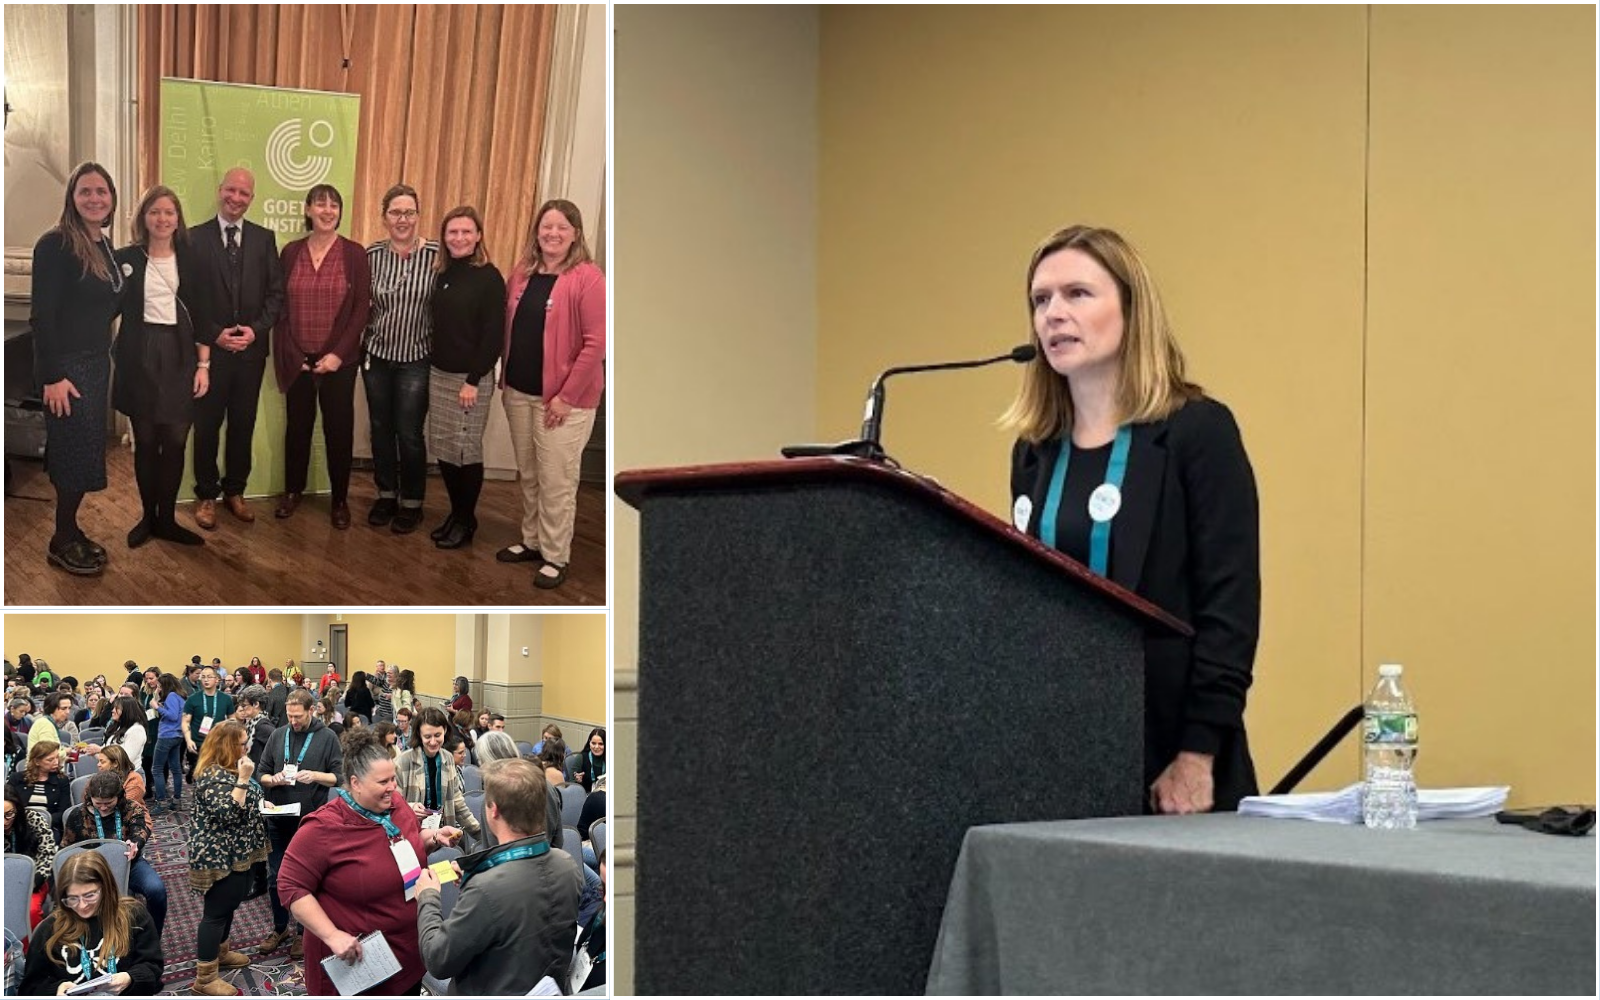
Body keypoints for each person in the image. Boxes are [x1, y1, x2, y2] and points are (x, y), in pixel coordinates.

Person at [1004, 225, 1261, 813]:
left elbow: (1231, 606)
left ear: (1131, 310)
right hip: (1056, 751)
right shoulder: (1035, 449)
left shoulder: (1197, 432)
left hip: (1173, 756)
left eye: (1077, 294)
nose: (1053, 315)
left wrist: (1198, 755)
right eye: (1041, 301)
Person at [277, 729, 464, 996]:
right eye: (383, 782)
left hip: (407, 952)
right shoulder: (323, 828)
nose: (393, 788)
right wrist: (331, 935)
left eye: (393, 780)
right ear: (355, 783)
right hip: (358, 963)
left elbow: (404, 849)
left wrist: (433, 837)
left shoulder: (396, 805)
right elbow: (290, 886)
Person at [496, 199, 607, 589]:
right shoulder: (523, 273)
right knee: (529, 474)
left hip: (563, 401)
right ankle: (531, 540)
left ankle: (556, 555)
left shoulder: (588, 278)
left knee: (556, 479)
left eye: (562, 227)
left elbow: (597, 344)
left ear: (575, 233)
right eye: (546, 226)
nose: (552, 233)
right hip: (520, 393)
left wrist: (565, 397)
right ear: (537, 232)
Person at [414, 757, 581, 995]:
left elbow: (437, 960)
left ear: (493, 811)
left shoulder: (485, 889)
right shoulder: (567, 864)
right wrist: (478, 869)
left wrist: (428, 898)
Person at [31, 162, 126, 576]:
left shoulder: (104, 245)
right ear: (72, 197)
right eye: (85, 191)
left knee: (84, 452)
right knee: (72, 453)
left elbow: (108, 306)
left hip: (94, 364)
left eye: (101, 191)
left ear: (111, 199)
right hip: (66, 369)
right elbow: (42, 317)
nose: (94, 198)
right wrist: (52, 376)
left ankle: (70, 529)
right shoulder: (54, 245)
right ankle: (60, 539)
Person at [188, 167, 286, 530]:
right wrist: (214, 334)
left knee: (243, 425)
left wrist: (255, 331)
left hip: (250, 354)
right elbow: (188, 298)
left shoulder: (264, 239)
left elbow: (276, 295)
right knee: (207, 426)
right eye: (231, 190)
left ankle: (235, 492)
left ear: (252, 198)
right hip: (208, 355)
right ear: (220, 191)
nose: (236, 198)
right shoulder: (195, 239)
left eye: (244, 193)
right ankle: (206, 496)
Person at [113, 184, 210, 549]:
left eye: (169, 212)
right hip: (139, 355)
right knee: (147, 440)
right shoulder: (126, 258)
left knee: (174, 440)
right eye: (155, 211)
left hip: (181, 354)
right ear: (143, 217)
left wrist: (204, 365)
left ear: (178, 218)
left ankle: (167, 519)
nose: (162, 218)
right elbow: (105, 305)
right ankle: (147, 518)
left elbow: (204, 314)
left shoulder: (192, 257)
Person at [272, 183, 372, 529]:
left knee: (338, 429)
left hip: (338, 361)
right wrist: (292, 353)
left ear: (340, 212)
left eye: (334, 204)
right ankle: (292, 492)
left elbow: (361, 310)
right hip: (298, 357)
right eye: (320, 203)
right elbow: (280, 307)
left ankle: (340, 500)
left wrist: (338, 354)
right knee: (297, 427)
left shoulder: (354, 253)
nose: (327, 210)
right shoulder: (290, 252)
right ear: (308, 210)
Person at [426, 206, 506, 549]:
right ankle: (458, 514)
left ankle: (465, 520)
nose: (458, 238)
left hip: (470, 380)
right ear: (445, 237)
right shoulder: (443, 273)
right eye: (452, 232)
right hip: (439, 374)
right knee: (445, 449)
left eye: (465, 232)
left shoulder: (489, 277)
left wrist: (473, 380)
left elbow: (493, 335)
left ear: (478, 236)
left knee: (466, 452)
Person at [364, 183, 440, 533]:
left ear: (418, 216)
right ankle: (385, 494)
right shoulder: (371, 256)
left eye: (409, 212)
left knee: (408, 433)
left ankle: (412, 502)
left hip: (416, 360)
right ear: (384, 217)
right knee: (380, 429)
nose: (402, 219)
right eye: (395, 212)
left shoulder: (437, 256)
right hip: (377, 358)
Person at [255, 688, 342, 962]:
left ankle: (304, 933)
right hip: (278, 815)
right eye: (289, 716)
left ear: (312, 710)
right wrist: (274, 779)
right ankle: (280, 928)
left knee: (306, 878)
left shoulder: (327, 737)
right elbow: (261, 774)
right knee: (275, 876)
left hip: (309, 820)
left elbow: (339, 777)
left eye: (298, 716)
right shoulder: (278, 735)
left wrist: (315, 775)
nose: (293, 721)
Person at [186, 719, 268, 996]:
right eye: (243, 743)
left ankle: (220, 952)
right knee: (215, 913)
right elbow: (228, 813)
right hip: (219, 855)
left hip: (239, 851)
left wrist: (259, 800)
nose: (247, 747)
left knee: (230, 903)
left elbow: (246, 799)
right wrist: (245, 780)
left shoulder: (232, 768)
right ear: (228, 746)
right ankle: (205, 977)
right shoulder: (212, 775)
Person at [18, 851, 164, 996]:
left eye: (90, 895)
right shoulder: (49, 930)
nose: (82, 905)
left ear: (106, 888)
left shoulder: (133, 915)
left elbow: (153, 967)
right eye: (73, 898)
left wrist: (130, 978)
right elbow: (29, 988)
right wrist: (55, 990)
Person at [60, 770, 167, 936]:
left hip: (128, 864)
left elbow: (141, 829)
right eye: (98, 803)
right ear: (90, 798)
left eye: (108, 803)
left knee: (157, 890)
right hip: (91, 872)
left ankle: (152, 935)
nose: (103, 807)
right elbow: (66, 848)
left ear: (119, 797)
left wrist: (135, 843)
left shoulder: (131, 808)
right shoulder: (78, 816)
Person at [395, 707, 483, 847]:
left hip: (442, 834)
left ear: (445, 731)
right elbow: (393, 804)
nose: (433, 741)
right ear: (419, 734)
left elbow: (457, 801)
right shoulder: (403, 762)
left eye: (438, 735)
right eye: (427, 736)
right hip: (413, 837)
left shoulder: (447, 758)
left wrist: (480, 834)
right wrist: (410, 807)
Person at [3, 785, 58, 932]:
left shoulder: (33, 819)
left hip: (33, 882)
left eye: (9, 814)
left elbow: (47, 854)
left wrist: (33, 882)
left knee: (31, 911)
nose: (4, 822)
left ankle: (30, 951)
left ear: (18, 809)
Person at [7, 741, 71, 838]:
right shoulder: (17, 779)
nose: (56, 762)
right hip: (18, 826)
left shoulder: (62, 780)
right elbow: (8, 803)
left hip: (49, 828)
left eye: (57, 758)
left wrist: (41, 823)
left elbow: (63, 811)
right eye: (50, 760)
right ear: (37, 761)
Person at [183, 665, 235, 774]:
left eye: (209, 677)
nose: (206, 680)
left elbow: (232, 720)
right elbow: (185, 721)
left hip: (218, 743)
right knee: (199, 775)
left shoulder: (226, 699)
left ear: (217, 680)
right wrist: (188, 740)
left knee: (216, 774)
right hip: (198, 743)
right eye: (203, 677)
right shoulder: (192, 699)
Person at [149, 673, 186, 815]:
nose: (158, 688)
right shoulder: (179, 696)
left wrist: (156, 707)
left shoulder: (171, 696)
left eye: (159, 686)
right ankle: (176, 800)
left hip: (167, 735)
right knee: (175, 768)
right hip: (177, 735)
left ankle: (161, 802)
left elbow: (171, 715)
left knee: (157, 769)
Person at [96, 744, 147, 808]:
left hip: (129, 816)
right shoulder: (98, 779)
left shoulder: (134, 779)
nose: (98, 765)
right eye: (98, 761)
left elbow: (126, 807)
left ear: (115, 763)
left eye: (102, 762)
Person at [573, 727, 606, 793]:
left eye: (600, 744)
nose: (596, 747)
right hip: (585, 796)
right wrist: (578, 781)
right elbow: (571, 785)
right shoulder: (580, 758)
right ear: (589, 743)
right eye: (593, 743)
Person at [372, 661, 396, 725]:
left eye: (390, 673)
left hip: (390, 715)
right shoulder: (385, 683)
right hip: (381, 712)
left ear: (396, 674)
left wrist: (393, 696)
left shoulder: (398, 686)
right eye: (387, 673)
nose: (388, 674)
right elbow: (375, 681)